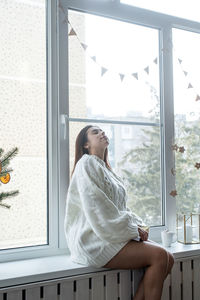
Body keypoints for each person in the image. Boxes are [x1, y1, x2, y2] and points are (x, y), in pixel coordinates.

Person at [64, 124, 174, 300]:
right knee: (160, 256)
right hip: (94, 240)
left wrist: (138, 226)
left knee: (169, 257)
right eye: (95, 132)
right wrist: (132, 229)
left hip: (110, 234)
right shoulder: (86, 163)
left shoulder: (106, 169)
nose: (102, 133)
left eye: (103, 131)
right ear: (85, 144)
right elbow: (98, 208)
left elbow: (121, 208)